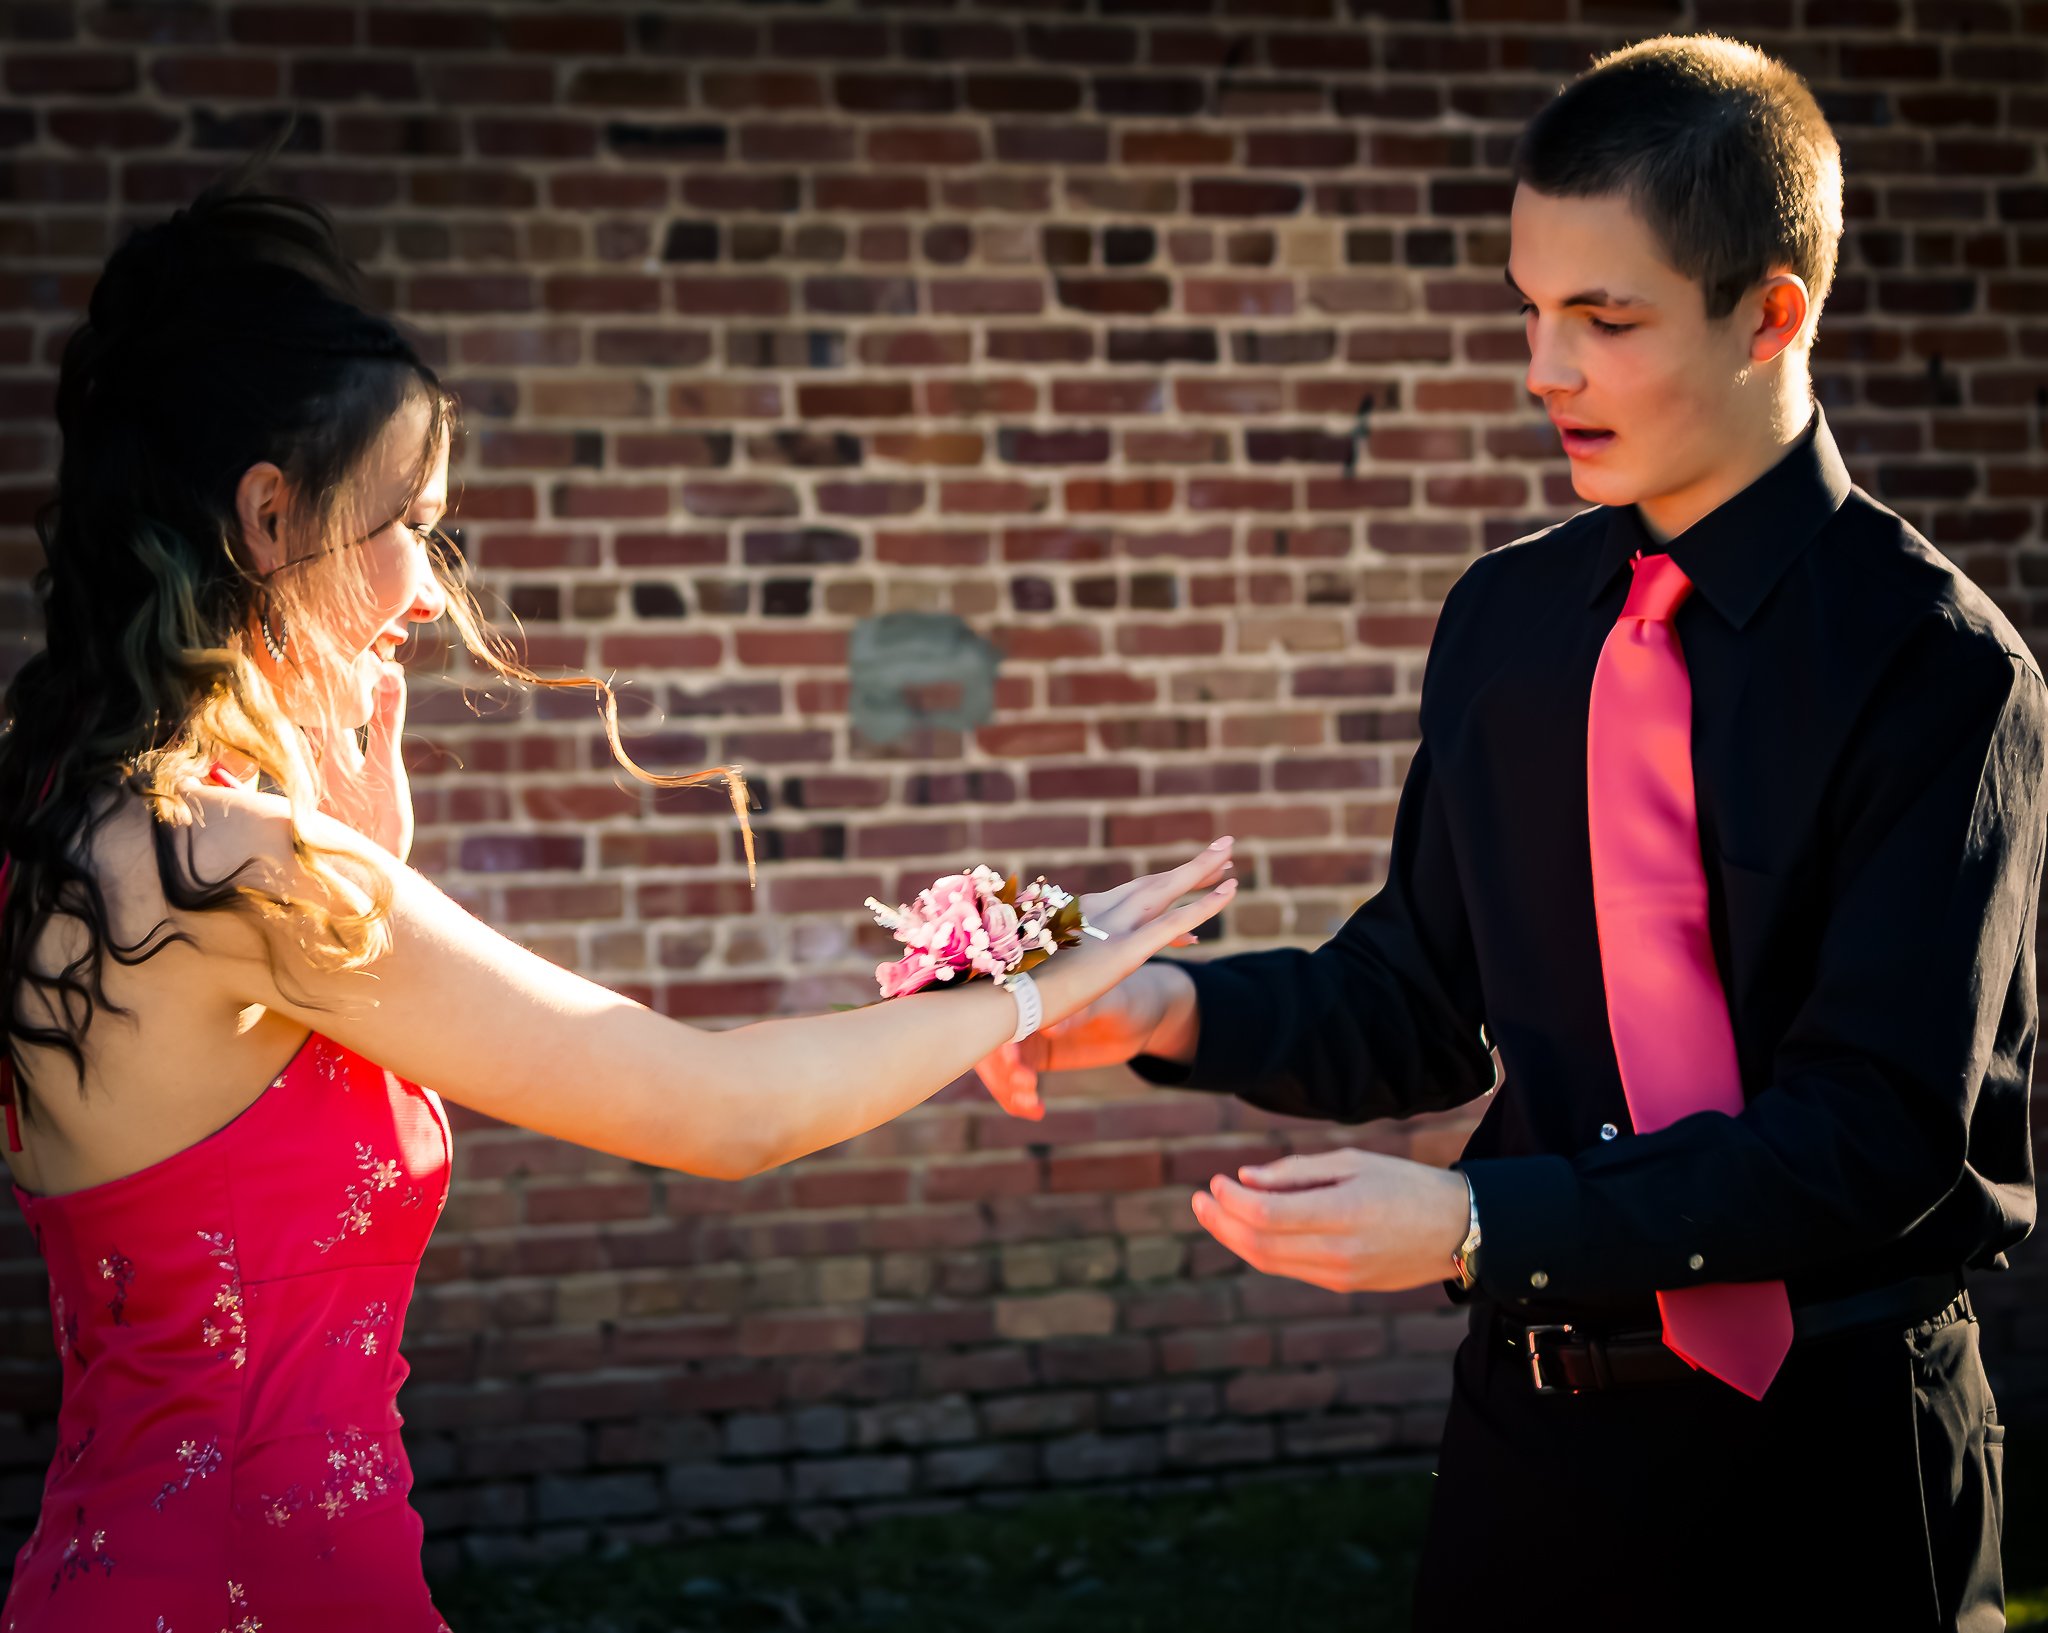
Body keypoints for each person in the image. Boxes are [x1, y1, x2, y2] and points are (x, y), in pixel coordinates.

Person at [0, 170, 1237, 1630]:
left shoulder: (59, 831)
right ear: (269, 517)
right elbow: (721, 1108)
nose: (426, 586)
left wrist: (365, 861)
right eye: (410, 521)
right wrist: (1037, 976)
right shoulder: (237, 865)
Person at [976, 33, 2042, 1632]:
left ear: (1774, 314)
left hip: (1836, 1464)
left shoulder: (1943, 674)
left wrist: (1483, 1221)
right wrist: (1159, 1007)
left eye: (1605, 322)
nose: (1547, 368)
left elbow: (1874, 1140)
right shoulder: (1508, 621)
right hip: (1528, 1455)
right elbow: (1416, 993)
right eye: (1530, 311)